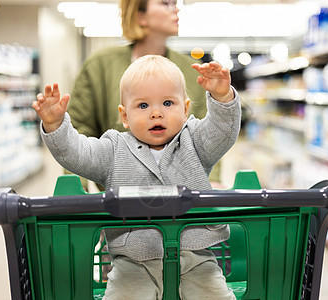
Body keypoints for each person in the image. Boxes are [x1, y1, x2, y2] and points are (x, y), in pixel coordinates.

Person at [32, 55, 240, 300]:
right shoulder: (114, 149)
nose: (156, 113)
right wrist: (57, 126)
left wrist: (222, 98)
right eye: (143, 106)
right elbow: (79, 154)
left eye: (167, 103)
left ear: (185, 110)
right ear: (125, 116)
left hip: (196, 256)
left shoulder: (195, 140)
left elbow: (222, 132)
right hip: (132, 261)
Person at [67, 0, 222, 184]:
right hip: (122, 201)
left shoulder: (191, 69)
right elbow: (80, 129)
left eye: (176, 3)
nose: (176, 9)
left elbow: (208, 131)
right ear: (140, 15)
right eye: (166, 3)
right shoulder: (99, 65)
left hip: (185, 202)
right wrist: (76, 189)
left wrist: (212, 181)